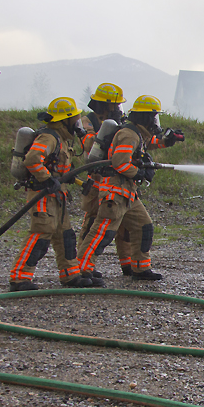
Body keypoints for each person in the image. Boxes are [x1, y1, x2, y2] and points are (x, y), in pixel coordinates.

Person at [76, 95, 183, 281]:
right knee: (102, 232)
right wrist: (139, 173)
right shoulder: (129, 134)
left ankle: (141, 268)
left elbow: (147, 144)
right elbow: (120, 162)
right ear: (145, 118)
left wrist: (167, 140)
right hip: (115, 191)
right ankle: (82, 269)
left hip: (127, 192)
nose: (155, 122)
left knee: (143, 226)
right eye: (154, 117)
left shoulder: (136, 133)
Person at [9, 97, 98, 291]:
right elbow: (32, 160)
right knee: (41, 234)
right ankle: (19, 278)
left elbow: (59, 169)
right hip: (43, 195)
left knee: (65, 235)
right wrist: (47, 179)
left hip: (57, 196)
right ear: (64, 120)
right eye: (74, 119)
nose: (77, 123)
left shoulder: (61, 138)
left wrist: (75, 180)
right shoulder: (49, 137)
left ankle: (70, 275)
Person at [78, 83, 133, 280]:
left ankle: (128, 264)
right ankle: (82, 265)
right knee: (93, 223)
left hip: (115, 182)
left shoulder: (118, 122)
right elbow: (87, 143)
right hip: (96, 182)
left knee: (125, 224)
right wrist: (107, 132)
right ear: (105, 105)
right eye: (115, 105)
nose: (118, 109)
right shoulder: (88, 121)